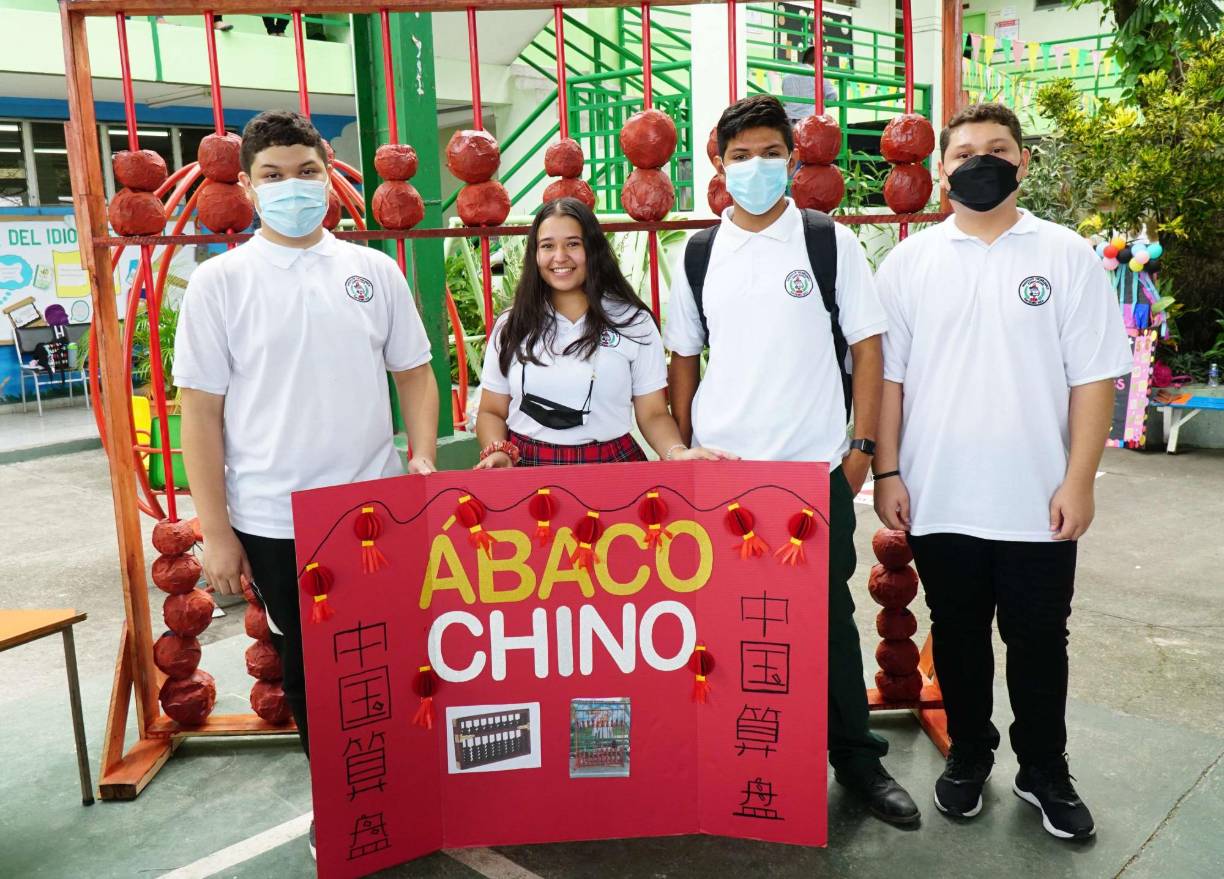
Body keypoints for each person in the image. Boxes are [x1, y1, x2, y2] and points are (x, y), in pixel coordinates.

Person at [174, 110, 439, 860]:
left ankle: (402, 792)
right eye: (273, 175)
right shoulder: (221, 283)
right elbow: (200, 413)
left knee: (388, 655)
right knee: (312, 673)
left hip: (371, 513)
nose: (292, 186)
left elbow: (415, 372)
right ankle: (342, 805)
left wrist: (421, 456)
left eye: (306, 172)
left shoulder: (372, 271)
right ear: (248, 186)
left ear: (327, 178)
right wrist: (216, 531)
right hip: (275, 519)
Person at [872, 102, 1132, 839]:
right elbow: (889, 381)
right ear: (941, 169)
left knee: (1040, 639)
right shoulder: (910, 263)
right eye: (964, 151)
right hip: (941, 493)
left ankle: (1044, 768)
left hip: (1037, 497)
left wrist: (1078, 480)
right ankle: (970, 757)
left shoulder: (1064, 255)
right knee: (957, 635)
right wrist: (888, 473)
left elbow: (1093, 378)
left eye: (997, 148)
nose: (980, 161)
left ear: (1022, 162)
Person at [665, 94, 919, 826]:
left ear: (792, 158)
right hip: (723, 474)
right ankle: (733, 752)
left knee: (827, 618)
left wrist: (862, 449)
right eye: (740, 156)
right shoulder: (698, 254)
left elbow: (867, 347)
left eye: (770, 153)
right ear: (719, 165)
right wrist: (685, 450)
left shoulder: (826, 243)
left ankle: (856, 757)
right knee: (721, 618)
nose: (756, 168)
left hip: (814, 471)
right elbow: (683, 359)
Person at [475, 196, 729, 469]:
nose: (560, 256)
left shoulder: (634, 322)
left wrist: (676, 451)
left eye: (573, 244)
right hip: (526, 465)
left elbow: (653, 414)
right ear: (535, 255)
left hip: (611, 465)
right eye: (547, 246)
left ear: (593, 249)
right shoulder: (511, 325)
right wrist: (497, 451)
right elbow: (491, 411)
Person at [782, 46, 840, 127]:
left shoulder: (787, 76)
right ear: (818, 60)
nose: (825, 64)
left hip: (789, 123)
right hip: (811, 123)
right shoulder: (818, 75)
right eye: (824, 60)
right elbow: (833, 97)